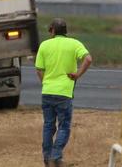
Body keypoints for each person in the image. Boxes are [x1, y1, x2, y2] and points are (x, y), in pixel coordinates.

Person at [35, 18, 93, 167]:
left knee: (48, 125)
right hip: (64, 93)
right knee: (64, 126)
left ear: (53, 30)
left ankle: (47, 158)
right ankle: (56, 156)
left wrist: (46, 83)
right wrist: (77, 74)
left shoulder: (44, 45)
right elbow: (88, 59)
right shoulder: (74, 44)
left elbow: (39, 69)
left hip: (47, 91)